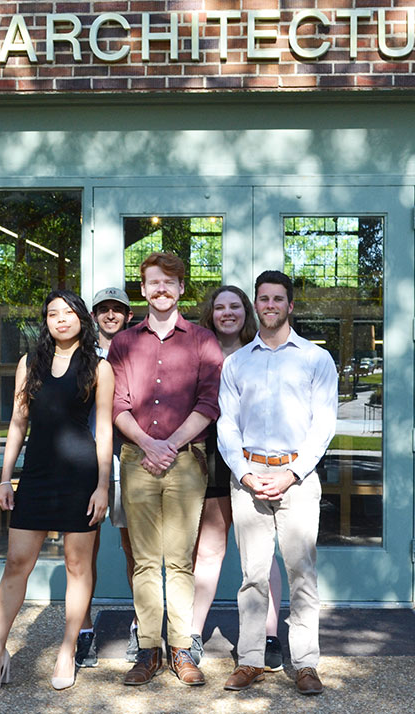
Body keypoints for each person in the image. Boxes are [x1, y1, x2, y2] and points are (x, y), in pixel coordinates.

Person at [0, 289, 113, 693]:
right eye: (52, 313)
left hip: (80, 475)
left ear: (81, 319)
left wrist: (103, 486)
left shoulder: (99, 367)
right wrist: (6, 477)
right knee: (17, 562)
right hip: (36, 475)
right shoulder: (29, 362)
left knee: (77, 566)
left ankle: (67, 649)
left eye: (68, 312)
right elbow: (18, 423)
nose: (60, 319)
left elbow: (104, 428)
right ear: (46, 321)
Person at [217, 271, 338, 695]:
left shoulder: (316, 359)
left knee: (301, 573)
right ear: (256, 304)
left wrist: (289, 474)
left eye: (277, 298)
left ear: (290, 305)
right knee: (252, 575)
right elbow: (226, 425)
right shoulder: (237, 363)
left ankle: (305, 664)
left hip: (297, 479)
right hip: (248, 477)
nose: (270, 305)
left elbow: (323, 426)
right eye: (263, 298)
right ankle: (250, 659)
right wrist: (246, 473)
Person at [107, 252, 223, 687]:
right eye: (153, 282)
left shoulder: (202, 340)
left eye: (169, 283)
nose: (161, 289)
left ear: (180, 289)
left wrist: (170, 444)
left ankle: (181, 649)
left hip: (186, 461)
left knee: (178, 561)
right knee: (142, 561)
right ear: (143, 288)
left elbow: (209, 403)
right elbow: (116, 405)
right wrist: (147, 444)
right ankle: (148, 651)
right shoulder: (124, 343)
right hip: (137, 460)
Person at [190, 285, 285, 672]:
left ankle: (269, 634)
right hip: (211, 454)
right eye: (219, 307)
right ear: (210, 313)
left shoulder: (263, 352)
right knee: (209, 549)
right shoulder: (197, 349)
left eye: (235, 306)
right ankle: (192, 633)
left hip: (256, 459)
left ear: (247, 311)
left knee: (262, 554)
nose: (227, 313)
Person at [75, 287, 139, 669]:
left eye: (118, 309)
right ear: (94, 315)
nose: (111, 315)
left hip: (129, 460)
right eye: (104, 309)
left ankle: (139, 625)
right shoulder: (82, 358)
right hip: (87, 464)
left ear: (129, 315)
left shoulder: (137, 353)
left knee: (136, 550)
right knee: (84, 552)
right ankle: (83, 632)